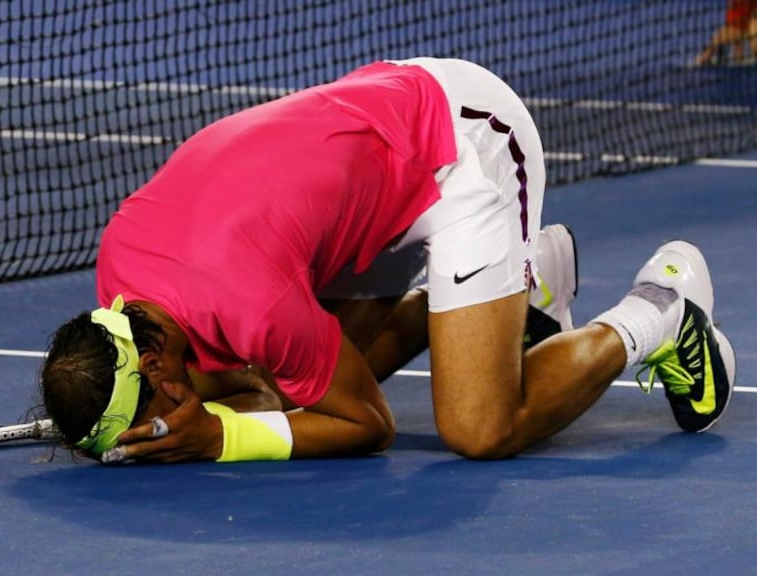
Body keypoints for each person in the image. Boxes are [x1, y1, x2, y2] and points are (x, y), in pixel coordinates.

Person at [39, 57, 736, 464]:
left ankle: (660, 313)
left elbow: (369, 423)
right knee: (292, 394)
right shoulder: (120, 278)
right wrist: (221, 408)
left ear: (153, 366)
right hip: (367, 156)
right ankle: (524, 291)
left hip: (461, 145)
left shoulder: (250, 303)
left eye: (150, 416)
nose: (159, 425)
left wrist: (219, 437)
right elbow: (253, 386)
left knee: (479, 428)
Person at [693, 0, 757, 66]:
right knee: (721, 41)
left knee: (718, 40)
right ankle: (737, 59)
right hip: (737, 27)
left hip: (745, 28)